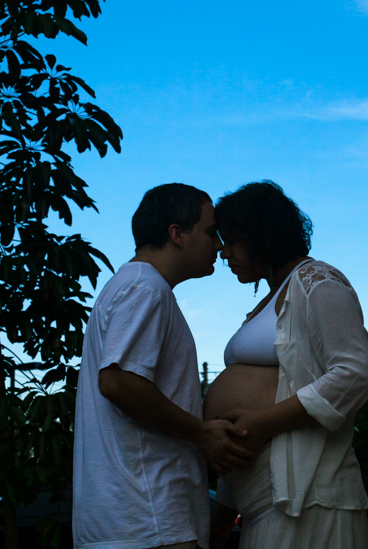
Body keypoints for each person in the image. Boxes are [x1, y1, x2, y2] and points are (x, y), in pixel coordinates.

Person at [72, 183, 255, 549]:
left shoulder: (133, 286)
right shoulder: (144, 289)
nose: (218, 245)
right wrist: (202, 433)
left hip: (131, 519)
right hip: (146, 515)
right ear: (177, 234)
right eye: (209, 232)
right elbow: (118, 382)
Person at [205, 181, 368, 549]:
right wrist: (224, 509)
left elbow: (355, 374)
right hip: (261, 502)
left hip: (311, 499)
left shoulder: (318, 281)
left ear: (262, 236)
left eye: (233, 240)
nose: (225, 253)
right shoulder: (272, 296)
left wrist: (261, 422)